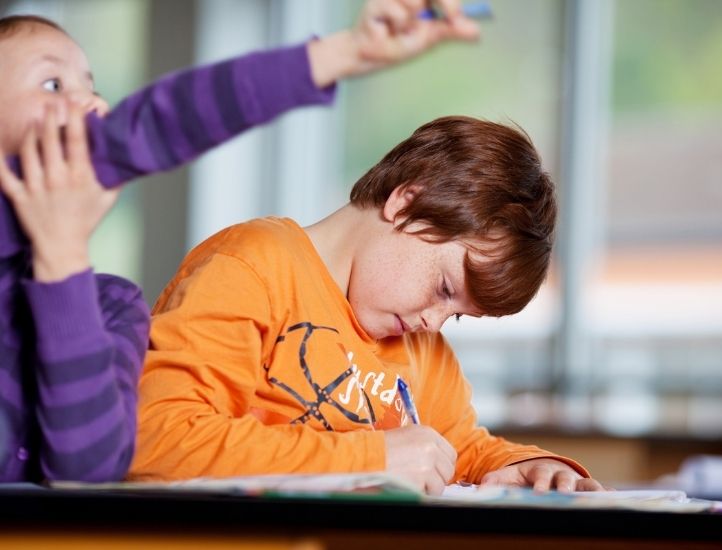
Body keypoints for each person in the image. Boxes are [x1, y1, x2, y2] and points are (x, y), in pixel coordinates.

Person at [0, 1, 480, 483]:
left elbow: (84, 469)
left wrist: (61, 259)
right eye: (53, 84)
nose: (93, 107)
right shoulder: (254, 263)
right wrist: (335, 56)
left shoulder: (112, 309)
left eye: (93, 88)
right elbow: (169, 119)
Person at [130, 116, 605, 495]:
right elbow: (156, 439)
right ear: (405, 203)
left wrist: (526, 466)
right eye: (444, 287)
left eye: (457, 313)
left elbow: (456, 449)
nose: (434, 322)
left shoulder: (422, 346)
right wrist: (372, 458)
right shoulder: (252, 266)